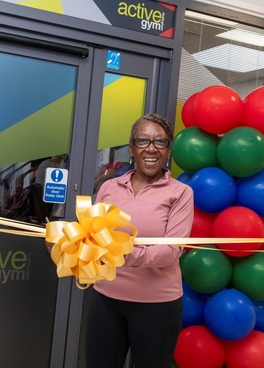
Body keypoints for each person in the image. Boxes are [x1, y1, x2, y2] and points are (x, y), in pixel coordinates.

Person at [85, 113, 194, 368]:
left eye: (160, 141)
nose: (151, 148)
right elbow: (92, 234)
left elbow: (171, 250)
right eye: (142, 140)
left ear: (168, 151)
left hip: (157, 305)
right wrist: (68, 245)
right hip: (106, 298)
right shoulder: (109, 187)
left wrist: (122, 253)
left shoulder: (181, 193)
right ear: (131, 149)